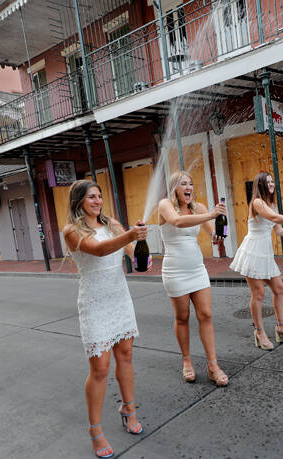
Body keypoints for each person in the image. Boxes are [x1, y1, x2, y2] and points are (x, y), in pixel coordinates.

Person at [63, 179, 149, 458]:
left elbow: (131, 253)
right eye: (91, 197)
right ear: (79, 201)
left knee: (126, 357)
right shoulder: (71, 231)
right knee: (99, 368)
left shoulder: (111, 223)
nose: (97, 201)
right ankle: (95, 431)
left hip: (119, 298)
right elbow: (98, 250)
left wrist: (141, 252)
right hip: (95, 302)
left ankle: (129, 409)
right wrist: (130, 236)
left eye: (99, 196)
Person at [158, 170, 229, 387]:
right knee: (182, 317)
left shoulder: (198, 207)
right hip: (175, 271)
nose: (188, 187)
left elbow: (212, 234)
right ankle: (187, 360)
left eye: (190, 183)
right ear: (174, 188)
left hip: (197, 268)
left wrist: (218, 233)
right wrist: (211, 215)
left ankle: (212, 365)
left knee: (206, 314)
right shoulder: (165, 205)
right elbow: (178, 222)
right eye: (182, 184)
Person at [229, 172, 283, 351]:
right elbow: (273, 218)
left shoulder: (271, 204)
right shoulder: (257, 202)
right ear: (261, 185)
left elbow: (278, 229)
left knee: (279, 289)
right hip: (252, 252)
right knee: (258, 294)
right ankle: (259, 332)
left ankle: (281, 327)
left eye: (273, 181)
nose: (272, 184)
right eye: (268, 182)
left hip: (265, 253)